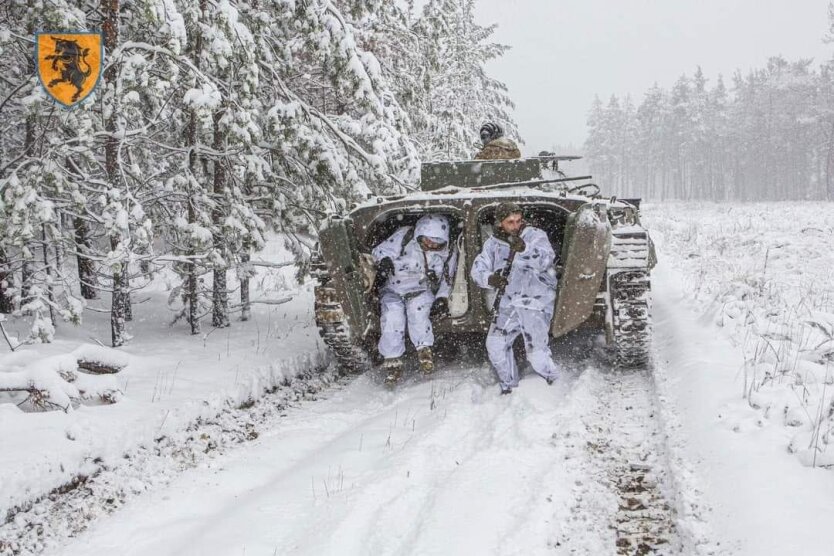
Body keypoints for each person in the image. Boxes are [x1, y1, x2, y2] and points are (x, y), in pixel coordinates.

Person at [470, 202, 560, 394]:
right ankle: (508, 386)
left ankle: (553, 380)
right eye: (510, 222)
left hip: (535, 302)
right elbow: (477, 270)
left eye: (518, 220)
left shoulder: (535, 235)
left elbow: (547, 261)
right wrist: (490, 278)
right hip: (508, 304)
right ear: (500, 223)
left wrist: (525, 249)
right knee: (495, 345)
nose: (515, 225)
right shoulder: (492, 244)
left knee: (536, 354)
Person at [372, 214, 458, 385]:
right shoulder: (405, 236)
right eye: (427, 241)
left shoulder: (447, 252)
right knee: (391, 319)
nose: (431, 245)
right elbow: (381, 251)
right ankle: (392, 362)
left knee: (418, 315)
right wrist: (384, 261)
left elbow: (449, 277)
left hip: (421, 289)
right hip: (393, 289)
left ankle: (424, 350)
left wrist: (441, 298)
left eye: (436, 243)